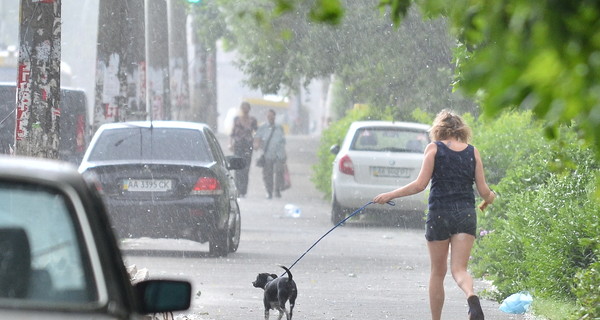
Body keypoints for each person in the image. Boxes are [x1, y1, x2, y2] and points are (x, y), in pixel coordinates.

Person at [372, 109, 496, 320]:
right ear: (462, 130)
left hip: (439, 214)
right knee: (459, 270)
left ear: (438, 130)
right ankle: (471, 296)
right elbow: (484, 192)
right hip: (465, 214)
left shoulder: (434, 148)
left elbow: (420, 185)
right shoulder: (473, 152)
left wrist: (389, 195)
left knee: (437, 273)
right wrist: (491, 196)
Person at [254, 109, 287, 199]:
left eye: (272, 116)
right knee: (267, 174)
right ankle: (269, 191)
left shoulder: (279, 127)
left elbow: (283, 140)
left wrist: (284, 153)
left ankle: (277, 190)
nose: (270, 118)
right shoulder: (263, 127)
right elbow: (257, 138)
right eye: (269, 116)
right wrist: (257, 145)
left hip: (279, 154)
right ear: (266, 117)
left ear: (274, 117)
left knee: (279, 172)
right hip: (267, 154)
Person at [229, 102, 258, 198]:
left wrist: (256, 142)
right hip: (238, 145)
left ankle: (243, 190)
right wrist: (231, 143)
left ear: (249, 109)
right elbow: (232, 133)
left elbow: (256, 132)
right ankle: (237, 189)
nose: (245, 110)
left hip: (248, 145)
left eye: (247, 108)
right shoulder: (236, 119)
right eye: (243, 108)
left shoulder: (253, 120)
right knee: (237, 168)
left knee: (245, 168)